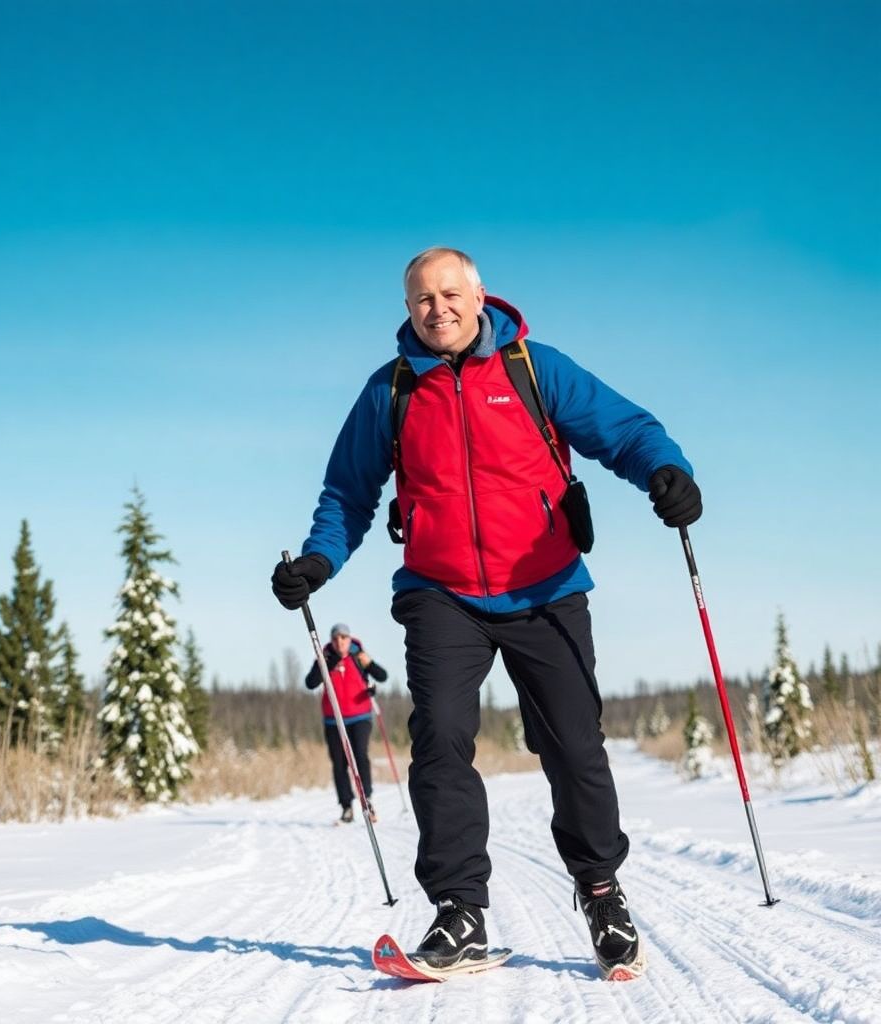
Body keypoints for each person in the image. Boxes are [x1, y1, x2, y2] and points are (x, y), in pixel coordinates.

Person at [271, 247, 701, 980]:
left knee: (573, 744)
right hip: (440, 592)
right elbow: (347, 492)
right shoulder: (391, 390)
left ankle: (601, 891)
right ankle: (459, 910)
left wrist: (667, 471)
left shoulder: (534, 368)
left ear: (478, 296)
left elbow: (626, 430)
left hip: (546, 586)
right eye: (421, 299)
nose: (436, 308)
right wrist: (318, 560)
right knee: (440, 738)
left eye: (449, 294)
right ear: (408, 310)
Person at [305, 623, 388, 824]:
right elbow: (310, 683)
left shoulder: (358, 655)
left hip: (360, 716)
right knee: (339, 763)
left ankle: (367, 800)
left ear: (349, 639)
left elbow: (382, 676)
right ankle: (346, 807)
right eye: (335, 638)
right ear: (331, 641)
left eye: (343, 637)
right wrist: (324, 665)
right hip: (333, 719)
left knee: (360, 756)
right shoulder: (325, 658)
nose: (339, 642)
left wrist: (370, 667)